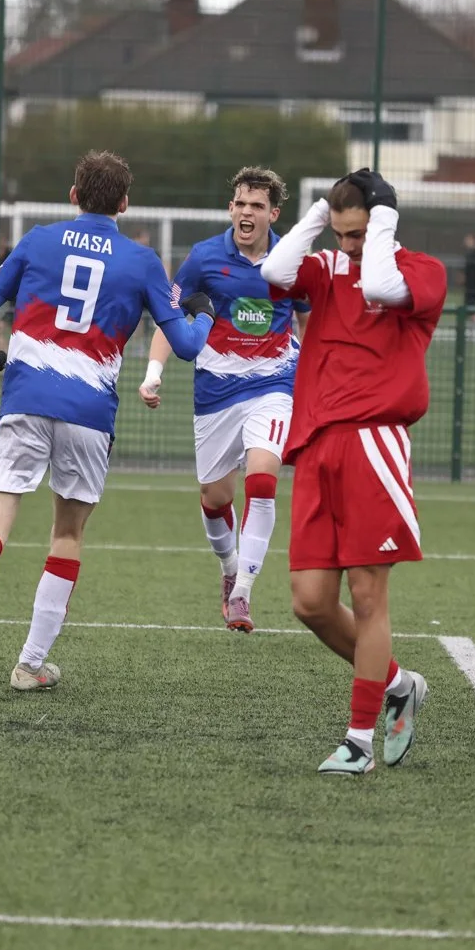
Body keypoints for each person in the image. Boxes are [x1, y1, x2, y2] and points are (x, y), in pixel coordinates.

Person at [0, 151, 213, 694]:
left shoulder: (36, 240)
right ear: (124, 203)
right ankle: (29, 665)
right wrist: (204, 314)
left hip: (25, 400)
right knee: (67, 534)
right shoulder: (143, 260)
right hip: (89, 414)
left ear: (73, 195)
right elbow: (186, 345)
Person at [260, 170, 444, 775]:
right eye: (341, 236)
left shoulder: (420, 271)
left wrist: (381, 223)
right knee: (310, 603)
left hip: (375, 441)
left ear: (384, 222)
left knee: (368, 597)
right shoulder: (331, 267)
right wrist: (317, 214)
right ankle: (396, 683)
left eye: (358, 233)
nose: (348, 247)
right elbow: (275, 273)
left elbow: (382, 280)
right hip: (315, 445)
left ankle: (360, 740)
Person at [139, 166, 302, 632]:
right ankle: (230, 568)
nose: (246, 212)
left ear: (273, 213)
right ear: (231, 209)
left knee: (264, 480)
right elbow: (171, 318)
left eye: (256, 206)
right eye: (240, 204)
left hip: (274, 384)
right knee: (214, 498)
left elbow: (309, 323)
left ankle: (243, 593)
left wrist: (314, 379)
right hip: (215, 390)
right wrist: (153, 374)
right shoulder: (204, 258)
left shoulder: (292, 258)